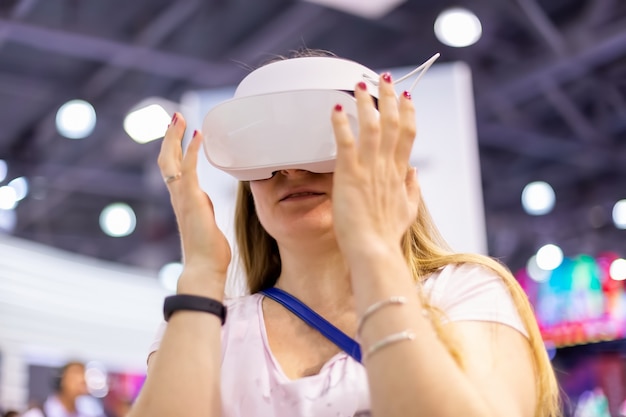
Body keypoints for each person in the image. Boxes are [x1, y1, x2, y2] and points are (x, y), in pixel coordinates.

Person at [128, 49, 562, 417]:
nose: (293, 170)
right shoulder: (206, 329)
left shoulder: (461, 295)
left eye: (326, 142)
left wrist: (375, 253)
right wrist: (201, 276)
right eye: (268, 151)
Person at [22, 361, 102, 417]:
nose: (82, 379)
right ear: (61, 380)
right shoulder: (37, 414)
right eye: (75, 374)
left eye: (83, 374)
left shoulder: (89, 413)